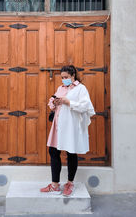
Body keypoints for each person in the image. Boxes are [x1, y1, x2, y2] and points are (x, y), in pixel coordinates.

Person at [40, 65, 95, 196]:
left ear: (73, 76)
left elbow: (85, 106)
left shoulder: (81, 89)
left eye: (66, 77)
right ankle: (54, 185)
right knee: (53, 151)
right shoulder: (60, 88)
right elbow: (53, 104)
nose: (64, 80)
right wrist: (53, 103)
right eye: (62, 77)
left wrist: (68, 102)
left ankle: (70, 183)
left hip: (71, 126)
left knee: (71, 152)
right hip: (58, 125)